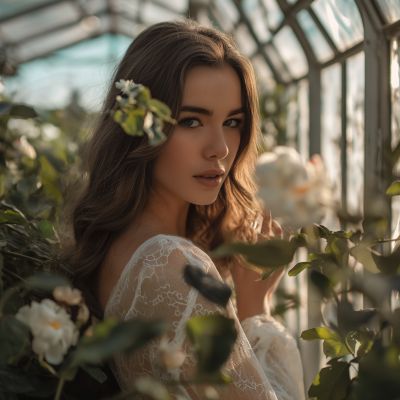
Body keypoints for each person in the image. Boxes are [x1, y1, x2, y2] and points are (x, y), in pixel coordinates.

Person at [61, 19, 305, 400]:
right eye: (192, 120)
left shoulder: (120, 245)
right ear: (139, 126)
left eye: (232, 122)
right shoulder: (173, 262)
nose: (220, 147)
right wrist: (256, 306)